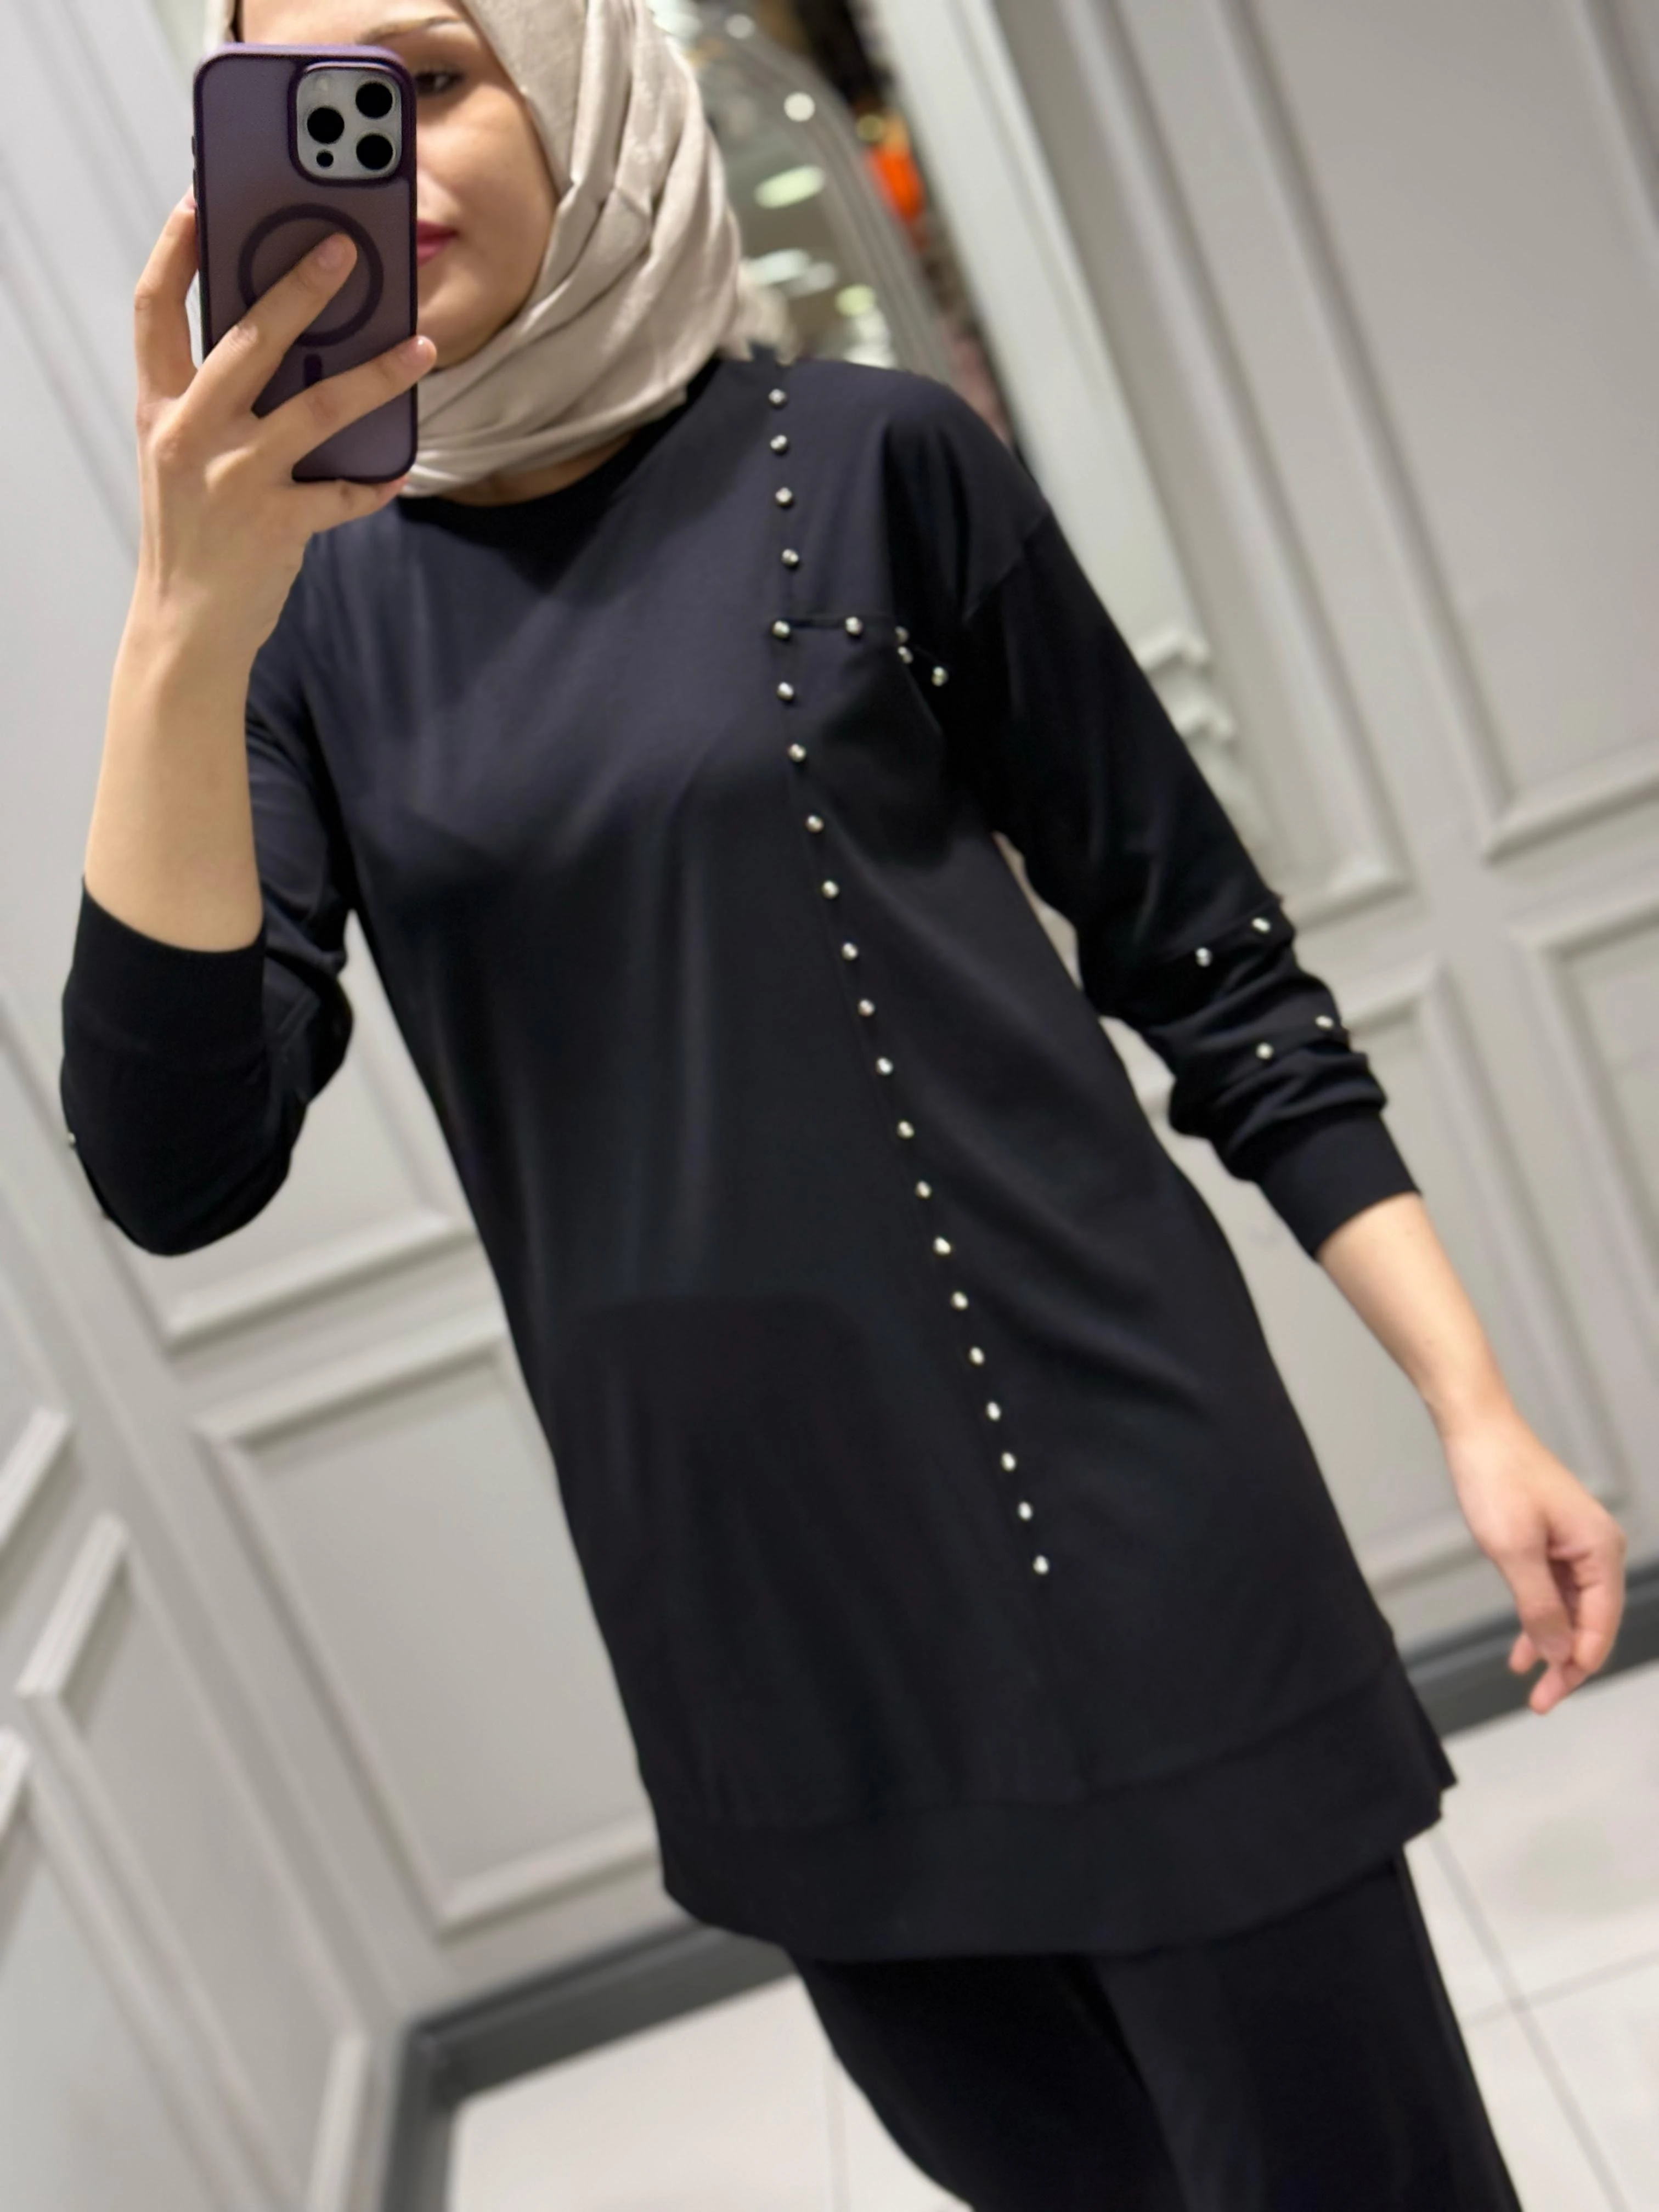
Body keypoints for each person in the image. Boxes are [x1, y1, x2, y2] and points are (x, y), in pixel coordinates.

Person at [60, 0, 1626, 2203]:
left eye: (432, 80)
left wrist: (1473, 1403)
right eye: (316, 112)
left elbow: (1207, 966)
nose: (381, 156)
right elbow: (177, 1166)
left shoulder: (875, 461)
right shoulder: (303, 632)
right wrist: (175, 632)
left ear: (581, 83)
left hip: (1137, 1536)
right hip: (764, 1639)